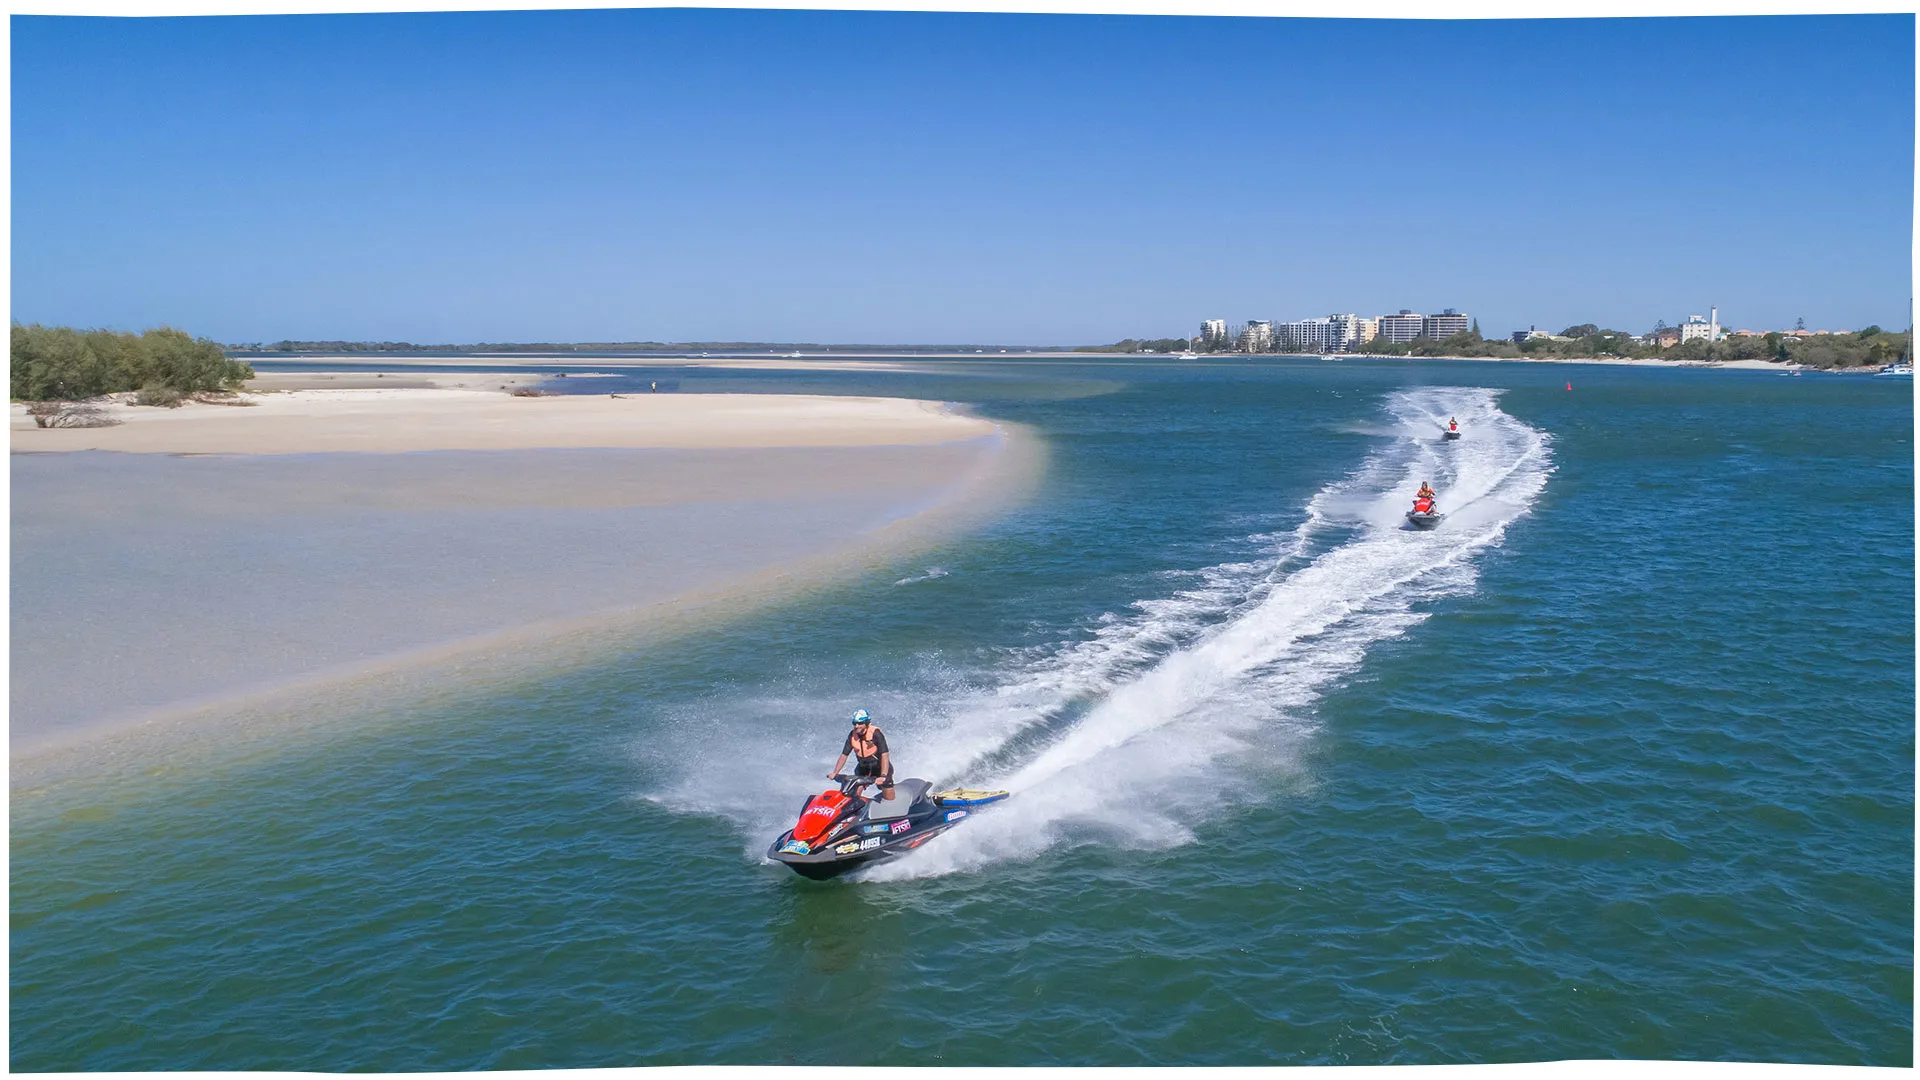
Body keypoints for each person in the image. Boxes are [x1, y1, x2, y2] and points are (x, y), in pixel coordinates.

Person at [829, 709, 895, 801]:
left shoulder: (876, 734)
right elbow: (844, 755)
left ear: (866, 723)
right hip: (863, 768)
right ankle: (854, 812)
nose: (856, 726)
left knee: (889, 798)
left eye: (860, 723)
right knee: (852, 795)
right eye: (855, 723)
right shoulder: (852, 735)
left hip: (880, 768)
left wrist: (883, 776)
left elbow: (885, 755)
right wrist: (835, 773)